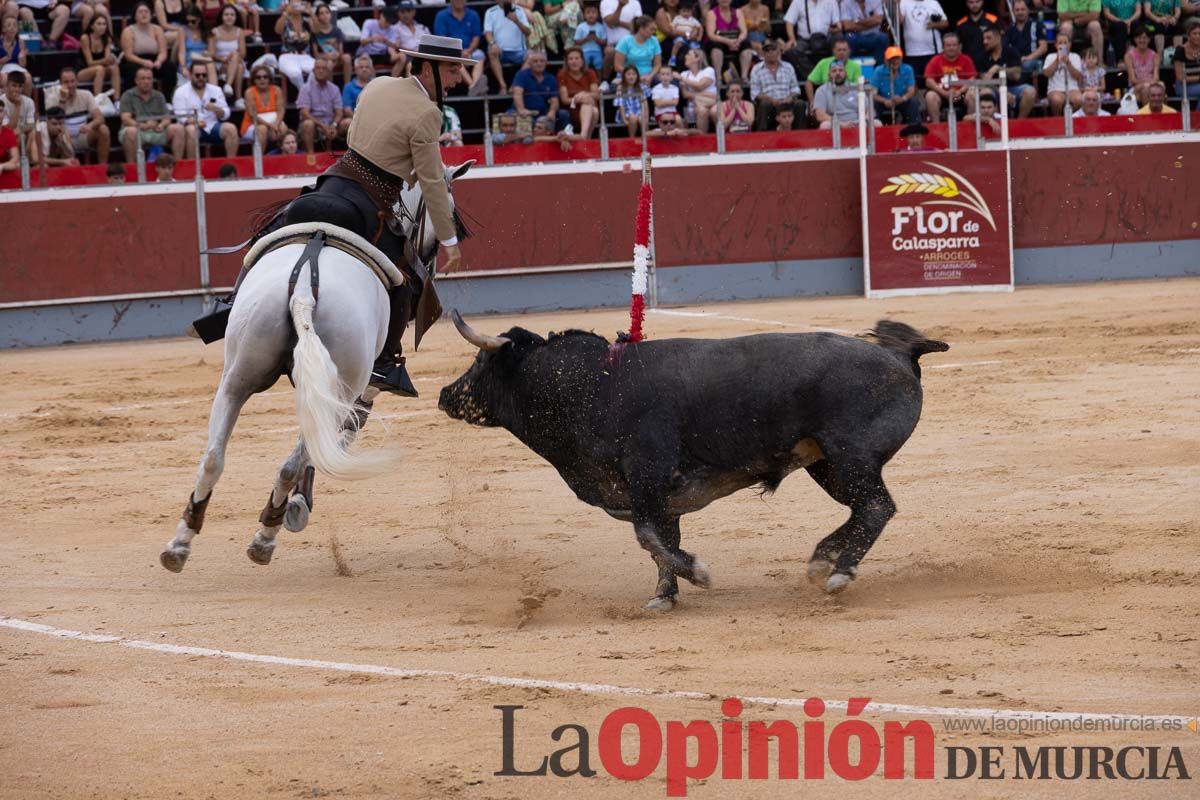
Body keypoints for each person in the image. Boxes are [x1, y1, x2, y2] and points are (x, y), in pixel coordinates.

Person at [252, 35, 473, 395]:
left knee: (269, 236)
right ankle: (386, 362)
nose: (458, 78)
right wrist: (449, 240)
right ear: (428, 68)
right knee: (402, 280)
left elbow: (362, 136)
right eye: (452, 69)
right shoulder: (428, 113)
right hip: (368, 206)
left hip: (330, 182)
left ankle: (229, 306)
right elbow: (433, 182)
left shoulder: (377, 84)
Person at [173, 61, 238, 157]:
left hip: (212, 125)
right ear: (190, 75)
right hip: (194, 126)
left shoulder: (216, 90)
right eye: (197, 75)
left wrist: (217, 109)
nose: (201, 78)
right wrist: (196, 122)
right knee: (191, 130)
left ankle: (231, 164)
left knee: (231, 129)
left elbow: (226, 112)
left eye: (204, 75)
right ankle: (192, 166)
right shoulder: (181, 92)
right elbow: (180, 116)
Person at [120, 65, 185, 160]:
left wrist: (161, 126)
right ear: (136, 81)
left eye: (149, 79)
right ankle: (132, 167)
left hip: (155, 131)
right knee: (130, 132)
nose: (146, 81)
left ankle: (177, 165)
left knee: (178, 128)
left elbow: (167, 118)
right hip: (137, 130)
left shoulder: (159, 95)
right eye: (143, 79)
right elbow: (125, 119)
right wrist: (142, 125)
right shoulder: (128, 95)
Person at [53, 66, 111, 164]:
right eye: (66, 82)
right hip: (63, 138)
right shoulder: (53, 97)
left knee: (103, 129)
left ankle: (103, 168)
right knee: (61, 137)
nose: (70, 85)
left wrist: (89, 125)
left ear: (77, 82)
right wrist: (63, 100)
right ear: (60, 83)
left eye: (72, 81)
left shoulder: (86, 94)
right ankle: (72, 167)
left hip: (82, 136)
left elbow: (100, 118)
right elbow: (55, 123)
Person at [121, 1, 175, 102]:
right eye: (140, 12)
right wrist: (143, 62)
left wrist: (159, 61)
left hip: (154, 59)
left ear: (151, 14)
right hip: (135, 60)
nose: (144, 14)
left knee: (169, 67)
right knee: (132, 70)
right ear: (135, 16)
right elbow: (128, 55)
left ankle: (167, 99)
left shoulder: (157, 29)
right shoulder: (128, 31)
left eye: (146, 11)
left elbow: (163, 51)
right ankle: (132, 100)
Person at [978, 25, 1037, 117]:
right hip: (994, 90)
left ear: (998, 38)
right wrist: (1001, 92)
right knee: (985, 92)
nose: (985, 41)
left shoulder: (1011, 52)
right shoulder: (982, 56)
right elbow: (985, 81)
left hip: (1013, 89)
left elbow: (1016, 75)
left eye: (988, 38)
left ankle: (1019, 124)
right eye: (984, 39)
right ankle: (994, 124)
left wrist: (998, 68)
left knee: (1030, 91)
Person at [749, 38, 801, 130]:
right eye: (767, 51)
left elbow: (795, 88)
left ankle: (801, 135)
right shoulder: (756, 69)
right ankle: (762, 137)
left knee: (801, 104)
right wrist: (771, 100)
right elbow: (755, 92)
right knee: (765, 105)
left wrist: (789, 98)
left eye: (773, 50)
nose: (771, 52)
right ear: (763, 54)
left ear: (778, 52)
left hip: (787, 102)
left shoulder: (788, 67)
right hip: (770, 104)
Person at [924, 30, 977, 120]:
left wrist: (960, 92)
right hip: (941, 94)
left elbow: (972, 79)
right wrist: (944, 93)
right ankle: (936, 127)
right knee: (930, 96)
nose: (951, 48)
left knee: (973, 94)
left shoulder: (966, 59)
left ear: (959, 46)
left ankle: (969, 125)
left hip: (961, 95)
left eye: (954, 45)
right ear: (943, 47)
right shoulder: (935, 60)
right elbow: (929, 81)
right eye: (948, 45)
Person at [434, 0, 486, 91]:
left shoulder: (473, 15)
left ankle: (474, 85)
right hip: (450, 52)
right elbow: (442, 39)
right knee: (456, 58)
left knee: (480, 55)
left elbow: (476, 37)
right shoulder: (441, 15)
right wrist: (458, 52)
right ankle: (473, 86)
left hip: (469, 51)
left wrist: (469, 51)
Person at [298, 59, 349, 151]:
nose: (321, 70)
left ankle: (351, 158)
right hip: (315, 125)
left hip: (331, 124)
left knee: (348, 123)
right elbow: (305, 113)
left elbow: (339, 112)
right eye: (318, 68)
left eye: (324, 68)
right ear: (313, 71)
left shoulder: (334, 89)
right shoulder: (305, 89)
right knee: (307, 124)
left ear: (329, 72)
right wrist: (323, 126)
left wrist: (333, 125)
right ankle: (311, 157)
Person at [512, 48, 569, 129]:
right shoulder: (521, 75)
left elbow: (555, 100)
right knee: (527, 120)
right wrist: (521, 110)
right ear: (530, 63)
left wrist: (552, 112)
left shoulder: (551, 78)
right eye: (535, 61)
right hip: (526, 112)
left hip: (543, 112)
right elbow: (517, 94)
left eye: (542, 61)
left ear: (546, 63)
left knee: (563, 114)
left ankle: (561, 138)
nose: (539, 64)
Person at [813, 59, 879, 128]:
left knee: (877, 123)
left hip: (858, 123)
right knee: (825, 125)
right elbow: (820, 115)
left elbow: (870, 110)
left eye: (841, 70)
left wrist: (863, 121)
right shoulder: (822, 90)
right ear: (829, 75)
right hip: (836, 124)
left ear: (846, 73)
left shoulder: (856, 88)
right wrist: (841, 124)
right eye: (834, 71)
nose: (838, 73)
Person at [782, 0, 839, 78]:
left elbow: (837, 24)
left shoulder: (831, 1)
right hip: (805, 39)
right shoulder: (798, 2)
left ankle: (834, 73)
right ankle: (815, 76)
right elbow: (789, 22)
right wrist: (792, 39)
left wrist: (834, 28)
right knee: (793, 51)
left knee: (839, 46)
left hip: (825, 38)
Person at [484, 0, 531, 93]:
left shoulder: (519, 10)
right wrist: (492, 43)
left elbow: (528, 32)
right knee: (492, 50)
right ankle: (502, 85)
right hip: (500, 51)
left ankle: (514, 85)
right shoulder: (490, 11)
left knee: (532, 56)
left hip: (518, 52)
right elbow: (487, 33)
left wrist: (517, 21)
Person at [898, 0, 949, 77]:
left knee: (935, 79)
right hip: (912, 52)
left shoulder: (933, 2)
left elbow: (945, 23)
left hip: (934, 50)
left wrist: (934, 24)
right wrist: (896, 5)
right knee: (915, 81)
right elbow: (899, 21)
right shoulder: (904, 2)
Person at [871, 45, 921, 125]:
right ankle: (875, 126)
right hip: (884, 101)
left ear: (901, 59)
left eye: (897, 58)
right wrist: (885, 101)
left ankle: (913, 127)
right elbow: (873, 93)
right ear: (886, 60)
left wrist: (902, 98)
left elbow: (911, 91)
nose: (895, 61)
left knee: (913, 101)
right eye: (892, 59)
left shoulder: (908, 69)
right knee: (873, 103)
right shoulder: (879, 71)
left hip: (901, 100)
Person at [241, 65, 287, 151]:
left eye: (265, 77)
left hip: (273, 124)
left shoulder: (277, 90)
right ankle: (259, 161)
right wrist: (270, 125)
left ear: (269, 79)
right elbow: (252, 115)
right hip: (252, 125)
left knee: (283, 128)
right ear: (254, 80)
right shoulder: (249, 92)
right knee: (262, 129)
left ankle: (280, 158)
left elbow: (281, 110)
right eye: (258, 77)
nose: (262, 79)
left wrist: (277, 123)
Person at [557, 46, 600, 138]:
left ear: (582, 61)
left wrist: (584, 94)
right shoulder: (562, 74)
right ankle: (585, 137)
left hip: (589, 108)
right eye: (570, 59)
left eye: (577, 58)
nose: (574, 61)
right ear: (567, 62)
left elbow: (596, 95)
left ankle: (583, 136)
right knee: (591, 108)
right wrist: (578, 99)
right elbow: (564, 99)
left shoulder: (590, 73)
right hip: (572, 109)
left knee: (594, 110)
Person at [805, 36, 861, 106]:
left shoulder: (855, 66)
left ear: (849, 51)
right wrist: (812, 102)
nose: (842, 52)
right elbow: (809, 82)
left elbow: (858, 88)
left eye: (844, 50)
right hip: (827, 100)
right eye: (839, 50)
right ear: (833, 51)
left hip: (847, 100)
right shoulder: (823, 63)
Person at [706, 0, 752, 82]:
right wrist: (728, 42)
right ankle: (718, 77)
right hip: (720, 40)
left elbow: (744, 32)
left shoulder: (738, 12)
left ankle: (744, 77)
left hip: (735, 40)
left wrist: (738, 40)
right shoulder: (711, 13)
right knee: (715, 46)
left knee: (746, 45)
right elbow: (711, 35)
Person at [208, 5, 246, 101]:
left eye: (232, 15)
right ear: (222, 17)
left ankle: (229, 86)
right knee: (238, 64)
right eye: (226, 14)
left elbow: (243, 53)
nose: (229, 17)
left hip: (235, 61)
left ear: (236, 17)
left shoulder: (239, 31)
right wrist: (222, 59)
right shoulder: (214, 32)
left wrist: (231, 58)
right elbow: (211, 53)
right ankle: (238, 97)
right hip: (219, 63)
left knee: (238, 61)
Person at [1043, 29, 1084, 115]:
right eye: (1060, 43)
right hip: (1055, 89)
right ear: (1056, 45)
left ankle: (1070, 119)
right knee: (1056, 100)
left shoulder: (1075, 57)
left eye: (1065, 43)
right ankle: (1058, 121)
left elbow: (1078, 76)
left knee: (1079, 100)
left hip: (1072, 89)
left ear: (1070, 44)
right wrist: (1057, 60)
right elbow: (1046, 74)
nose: (1063, 45)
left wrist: (1068, 63)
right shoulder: (1050, 57)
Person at [78, 12, 120, 96]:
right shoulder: (85, 38)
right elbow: (89, 63)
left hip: (101, 70)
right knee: (99, 69)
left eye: (104, 24)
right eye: (99, 24)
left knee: (114, 68)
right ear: (92, 26)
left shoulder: (107, 39)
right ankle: (98, 100)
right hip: (83, 71)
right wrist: (105, 60)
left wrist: (112, 60)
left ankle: (117, 100)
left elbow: (107, 60)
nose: (102, 27)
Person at [277, 0, 314, 91]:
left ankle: (306, 94)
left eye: (299, 4)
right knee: (295, 73)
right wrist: (286, 13)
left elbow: (317, 30)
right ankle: (305, 93)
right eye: (294, 4)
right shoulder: (285, 20)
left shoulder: (307, 21)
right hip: (287, 55)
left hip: (305, 55)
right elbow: (278, 30)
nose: (297, 6)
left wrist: (311, 13)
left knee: (317, 70)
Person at [600, 0, 643, 78]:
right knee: (610, 52)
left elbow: (638, 26)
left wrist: (619, 22)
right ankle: (605, 80)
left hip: (633, 43)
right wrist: (620, 6)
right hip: (614, 45)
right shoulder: (605, 2)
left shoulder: (635, 2)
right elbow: (611, 23)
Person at [311, 2, 351, 85]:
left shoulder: (337, 31)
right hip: (324, 59)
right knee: (328, 63)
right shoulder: (315, 33)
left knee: (347, 57)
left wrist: (336, 56)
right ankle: (330, 89)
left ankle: (347, 86)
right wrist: (326, 56)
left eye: (327, 12)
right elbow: (315, 54)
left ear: (330, 14)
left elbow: (341, 51)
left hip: (336, 57)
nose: (325, 15)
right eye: (321, 13)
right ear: (318, 17)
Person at [1005, 0, 1047, 77]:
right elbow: (1005, 48)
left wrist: (1028, 58)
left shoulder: (1037, 24)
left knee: (1026, 65)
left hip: (1033, 60)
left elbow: (1044, 47)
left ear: (1028, 10)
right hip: (1016, 62)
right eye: (1017, 10)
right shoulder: (1009, 29)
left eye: (1023, 9)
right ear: (1013, 12)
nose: (1020, 12)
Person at [678, 47, 717, 131]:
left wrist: (682, 79)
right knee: (702, 110)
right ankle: (702, 140)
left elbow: (700, 86)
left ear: (697, 58)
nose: (685, 56)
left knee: (715, 111)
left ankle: (724, 138)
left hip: (712, 103)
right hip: (695, 104)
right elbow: (685, 95)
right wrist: (707, 94)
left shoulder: (708, 70)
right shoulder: (684, 74)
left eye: (688, 54)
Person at [839, 0, 888, 65]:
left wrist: (857, 21)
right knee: (848, 37)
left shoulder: (876, 1)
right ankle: (849, 67)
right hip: (854, 35)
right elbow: (847, 26)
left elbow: (878, 20)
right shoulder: (845, 3)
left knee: (883, 37)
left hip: (874, 35)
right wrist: (870, 23)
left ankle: (878, 68)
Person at [615, 14, 662, 83]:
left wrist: (650, 76)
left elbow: (657, 64)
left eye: (654, 30)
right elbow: (618, 66)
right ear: (641, 28)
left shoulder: (654, 40)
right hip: (629, 76)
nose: (654, 32)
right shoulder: (625, 41)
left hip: (649, 76)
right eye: (651, 29)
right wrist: (635, 77)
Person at [1123, 24, 1159, 104]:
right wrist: (1147, 83)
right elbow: (1132, 80)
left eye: (1145, 38)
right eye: (1139, 38)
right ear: (1135, 39)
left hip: (1151, 85)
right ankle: (1148, 115)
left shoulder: (1155, 55)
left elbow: (1156, 77)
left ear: (1149, 39)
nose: (1142, 40)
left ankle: (1161, 115)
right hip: (1136, 87)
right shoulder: (1129, 56)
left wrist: (1151, 83)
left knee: (1161, 85)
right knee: (1146, 88)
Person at [393, 0, 431, 76]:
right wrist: (413, 52)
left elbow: (431, 44)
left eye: (408, 11)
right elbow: (395, 47)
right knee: (411, 66)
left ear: (413, 12)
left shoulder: (423, 28)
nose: (405, 14)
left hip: (424, 56)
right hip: (408, 57)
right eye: (402, 11)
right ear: (398, 13)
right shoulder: (394, 28)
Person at [954, 0, 998, 65]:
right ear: (967, 3)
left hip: (989, 64)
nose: (974, 5)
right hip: (967, 65)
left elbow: (1000, 43)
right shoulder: (961, 24)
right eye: (971, 2)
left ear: (982, 2)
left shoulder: (993, 20)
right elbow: (956, 46)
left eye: (977, 2)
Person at [613, 62, 648, 134]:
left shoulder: (642, 86)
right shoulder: (621, 88)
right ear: (624, 76)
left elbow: (644, 102)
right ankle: (632, 139)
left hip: (639, 111)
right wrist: (624, 119)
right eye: (628, 74)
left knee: (642, 118)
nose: (631, 77)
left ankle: (646, 138)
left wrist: (646, 115)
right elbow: (621, 105)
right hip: (625, 112)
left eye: (633, 74)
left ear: (637, 76)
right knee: (632, 117)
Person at [667, 1, 702, 68]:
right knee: (678, 43)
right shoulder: (677, 18)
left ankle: (698, 64)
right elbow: (673, 26)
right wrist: (674, 31)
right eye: (684, 11)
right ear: (679, 11)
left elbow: (700, 28)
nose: (686, 13)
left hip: (691, 38)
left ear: (692, 12)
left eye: (688, 11)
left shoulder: (693, 20)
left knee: (695, 48)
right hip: (680, 36)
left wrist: (699, 37)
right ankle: (672, 58)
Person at [1174, 17, 1200, 104]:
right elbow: (1180, 77)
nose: (1197, 36)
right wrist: (1198, 78)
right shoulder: (1180, 50)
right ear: (1188, 35)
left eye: (1199, 34)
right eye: (1194, 33)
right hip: (1184, 86)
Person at [574, 2, 606, 72]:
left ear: (598, 15)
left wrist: (596, 39)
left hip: (597, 50)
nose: (591, 15)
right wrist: (586, 39)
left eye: (594, 13)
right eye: (588, 13)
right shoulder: (581, 27)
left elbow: (604, 41)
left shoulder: (600, 27)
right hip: (584, 51)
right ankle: (586, 79)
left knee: (599, 63)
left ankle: (599, 80)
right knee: (585, 63)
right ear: (584, 15)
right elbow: (576, 41)